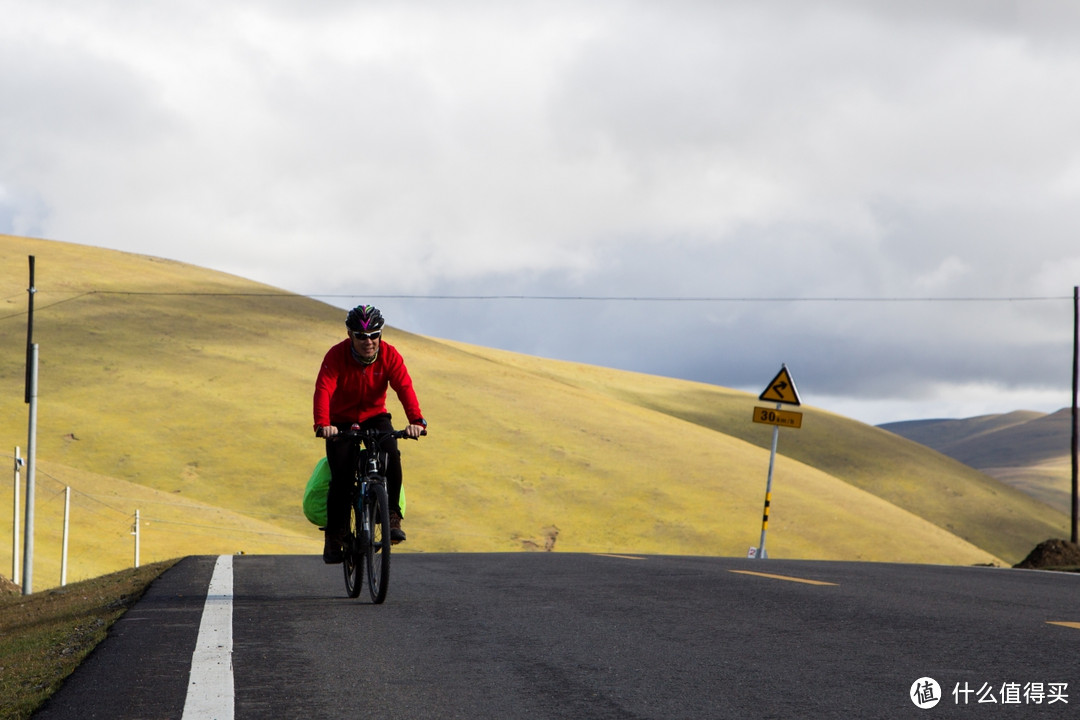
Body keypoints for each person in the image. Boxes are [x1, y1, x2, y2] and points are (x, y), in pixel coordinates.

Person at [313, 304, 427, 564]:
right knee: (341, 477)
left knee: (392, 456)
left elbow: (404, 387)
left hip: (375, 416)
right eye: (362, 336)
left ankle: (392, 517)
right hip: (340, 420)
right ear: (350, 335)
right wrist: (323, 423)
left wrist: (416, 421)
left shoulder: (389, 355)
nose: (369, 341)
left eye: (374, 335)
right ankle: (335, 536)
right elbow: (323, 389)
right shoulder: (336, 355)